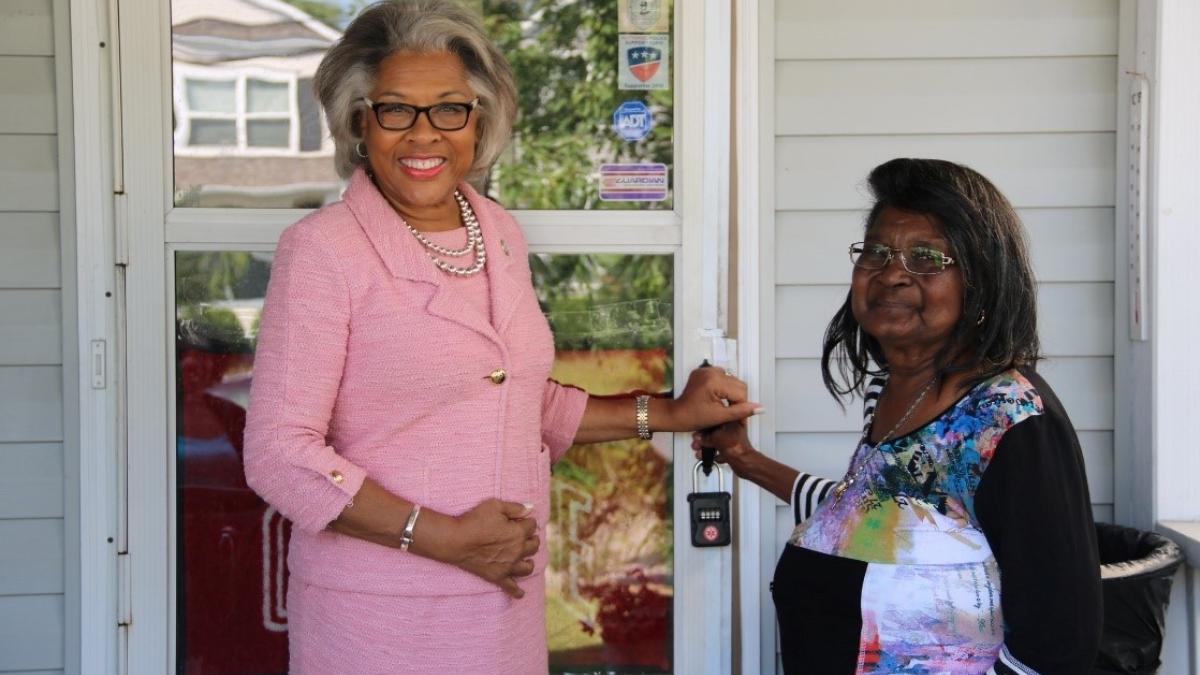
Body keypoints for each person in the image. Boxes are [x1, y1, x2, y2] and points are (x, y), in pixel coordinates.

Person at [242, 1, 759, 672]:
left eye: (449, 109)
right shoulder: (322, 251)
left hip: (499, 607)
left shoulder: (499, 234)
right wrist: (444, 537)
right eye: (397, 109)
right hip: (380, 619)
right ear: (360, 120)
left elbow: (515, 397)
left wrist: (667, 412)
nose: (423, 134)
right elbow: (281, 454)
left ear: (480, 120)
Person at [695, 158, 1102, 674]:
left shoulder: (1009, 420)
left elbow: (1059, 644)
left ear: (981, 280)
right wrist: (743, 459)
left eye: (927, 257)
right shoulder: (889, 387)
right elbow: (872, 516)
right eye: (877, 252)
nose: (892, 274)